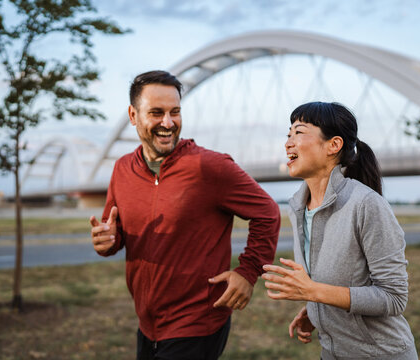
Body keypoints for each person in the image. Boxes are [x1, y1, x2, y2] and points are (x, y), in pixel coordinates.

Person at [89, 70, 280, 360]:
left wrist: (249, 271)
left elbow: (268, 212)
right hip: (147, 324)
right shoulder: (122, 169)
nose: (168, 123)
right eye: (156, 113)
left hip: (196, 324)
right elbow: (115, 233)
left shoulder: (209, 166)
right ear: (133, 115)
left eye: (174, 112)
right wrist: (108, 242)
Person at [262, 102, 417, 360]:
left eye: (298, 133)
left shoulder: (366, 204)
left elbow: (393, 298)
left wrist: (315, 293)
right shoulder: (298, 207)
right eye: (288, 134)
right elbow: (334, 283)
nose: (288, 143)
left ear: (333, 145)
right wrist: (318, 311)